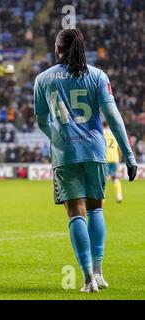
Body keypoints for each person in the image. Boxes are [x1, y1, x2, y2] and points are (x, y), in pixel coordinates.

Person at [34, 28, 137, 293]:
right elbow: (113, 117)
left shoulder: (43, 79)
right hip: (94, 151)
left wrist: (56, 136)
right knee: (96, 209)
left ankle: (87, 277)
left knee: (75, 213)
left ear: (58, 48)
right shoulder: (98, 76)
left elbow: (40, 120)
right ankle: (99, 272)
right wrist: (129, 155)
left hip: (65, 154)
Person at [103, 122, 123, 203]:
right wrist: (119, 158)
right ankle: (119, 196)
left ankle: (102, 198)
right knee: (115, 177)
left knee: (102, 179)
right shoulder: (114, 133)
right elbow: (119, 148)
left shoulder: (101, 132)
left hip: (105, 158)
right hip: (115, 158)